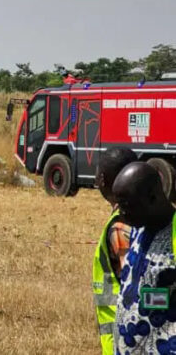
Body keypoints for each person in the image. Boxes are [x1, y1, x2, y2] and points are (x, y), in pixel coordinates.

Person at [113, 162, 176, 353]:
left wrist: (152, 298)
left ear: (153, 197)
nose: (121, 213)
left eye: (126, 205)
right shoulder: (137, 230)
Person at [92, 147, 138, 354]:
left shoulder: (121, 228)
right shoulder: (145, 217)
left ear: (102, 179)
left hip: (125, 339)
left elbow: (137, 285)